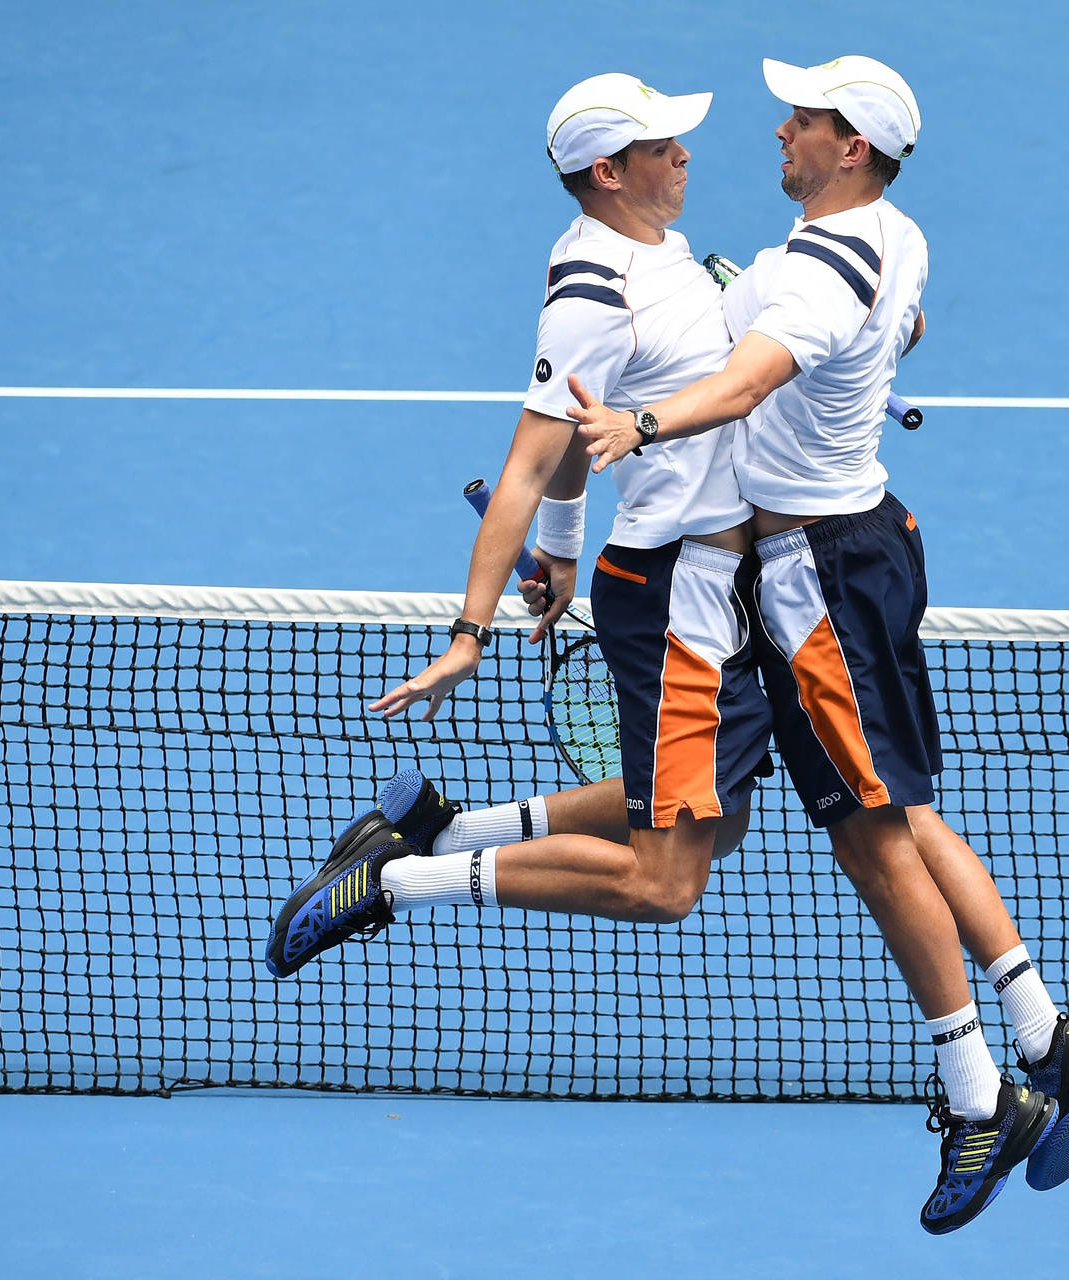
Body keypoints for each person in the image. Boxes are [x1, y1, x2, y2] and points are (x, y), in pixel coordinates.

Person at [569, 55, 1069, 1234]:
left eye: (804, 119)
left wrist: (643, 418)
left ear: (851, 146)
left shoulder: (812, 276)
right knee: (906, 809)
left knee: (873, 836)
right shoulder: (889, 234)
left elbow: (751, 376)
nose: (780, 127)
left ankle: (984, 1093)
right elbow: (904, 317)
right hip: (871, 544)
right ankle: (1043, 1029)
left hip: (813, 578)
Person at [262, 72, 773, 970]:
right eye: (662, 147)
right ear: (609, 172)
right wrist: (470, 634)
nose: (686, 154)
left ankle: (441, 828)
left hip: (711, 588)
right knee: (666, 882)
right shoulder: (592, 292)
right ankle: (391, 882)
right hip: (676, 606)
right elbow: (527, 465)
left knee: (719, 819)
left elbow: (588, 421)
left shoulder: (656, 250)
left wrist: (566, 551)